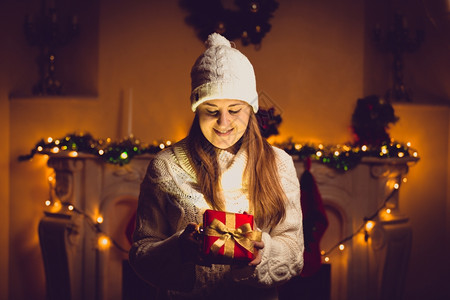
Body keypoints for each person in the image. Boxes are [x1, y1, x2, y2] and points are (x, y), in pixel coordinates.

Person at [129, 33, 304, 300]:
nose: (224, 123)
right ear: (196, 110)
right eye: (211, 110)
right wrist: (178, 250)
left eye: (234, 110)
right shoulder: (165, 167)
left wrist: (261, 255)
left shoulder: (279, 165)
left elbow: (294, 252)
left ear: (251, 109)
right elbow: (141, 254)